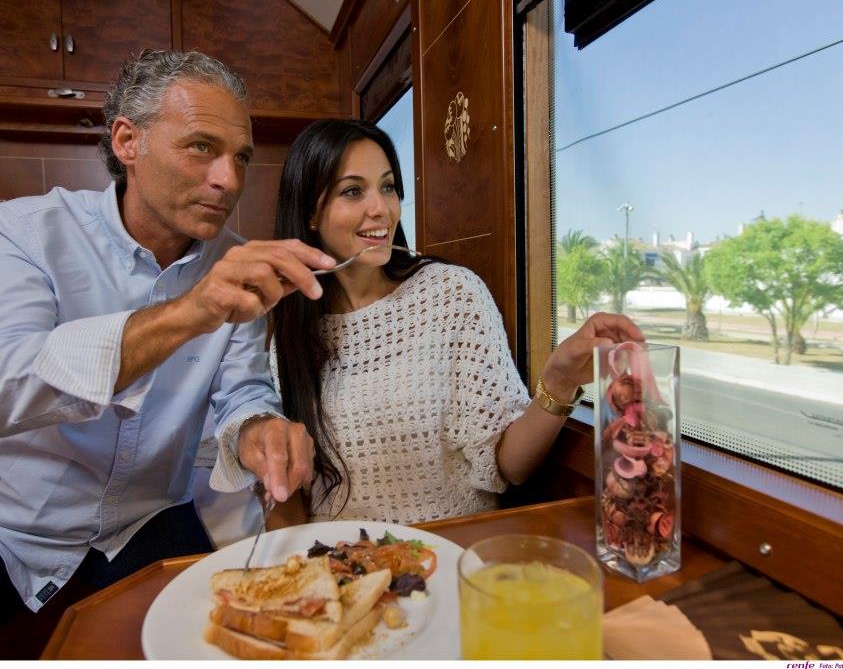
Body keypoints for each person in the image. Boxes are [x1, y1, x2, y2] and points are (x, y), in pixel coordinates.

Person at [0, 50, 329, 659]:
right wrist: (190, 311)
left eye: (240, 157)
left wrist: (258, 428)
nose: (229, 180)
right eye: (201, 147)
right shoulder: (24, 230)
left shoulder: (234, 264)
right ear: (128, 141)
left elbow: (243, 390)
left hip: (148, 518)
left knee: (225, 651)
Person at [210, 119, 645, 526]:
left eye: (388, 187)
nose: (380, 209)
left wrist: (560, 381)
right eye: (353, 191)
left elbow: (508, 466)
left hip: (449, 549)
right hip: (339, 562)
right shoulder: (291, 332)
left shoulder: (452, 294)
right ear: (310, 212)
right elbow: (292, 488)